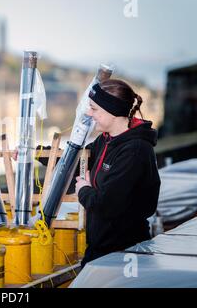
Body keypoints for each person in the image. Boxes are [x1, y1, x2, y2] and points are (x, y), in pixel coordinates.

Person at [15, 79, 160, 267]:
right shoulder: (106, 140)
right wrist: (36, 152)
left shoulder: (135, 151)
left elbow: (106, 205)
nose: (88, 113)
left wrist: (83, 188)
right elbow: (75, 163)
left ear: (113, 111)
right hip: (100, 248)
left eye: (94, 108)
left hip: (124, 254)